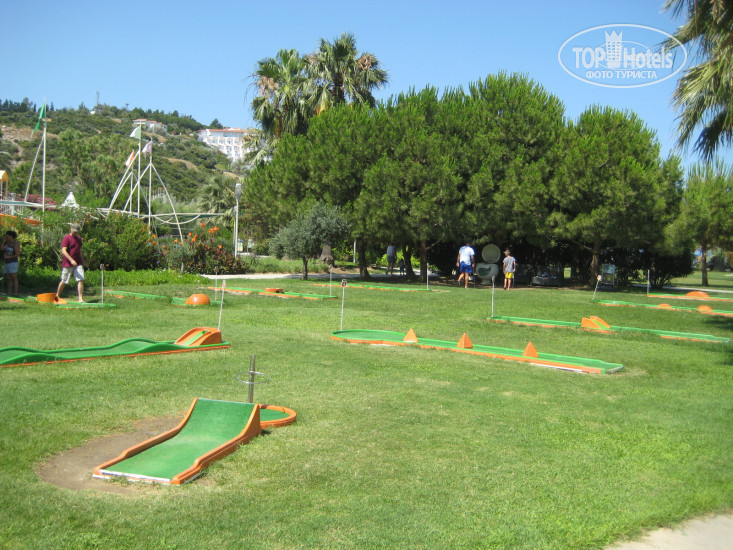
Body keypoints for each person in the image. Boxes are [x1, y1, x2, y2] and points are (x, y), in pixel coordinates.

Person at [55, 223, 86, 303]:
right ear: (70, 229)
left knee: (81, 279)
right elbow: (64, 251)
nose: (75, 233)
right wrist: (71, 260)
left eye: (77, 231)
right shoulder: (67, 238)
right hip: (68, 263)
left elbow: (79, 250)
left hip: (78, 263)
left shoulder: (78, 239)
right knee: (64, 280)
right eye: (74, 231)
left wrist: (83, 261)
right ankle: (57, 296)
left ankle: (80, 299)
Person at [2, 230, 20, 295]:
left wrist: (8, 257)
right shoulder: (8, 244)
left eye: (7, 236)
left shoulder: (16, 244)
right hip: (7, 262)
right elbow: (1, 248)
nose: (6, 237)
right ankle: (9, 292)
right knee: (8, 277)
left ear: (11, 236)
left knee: (14, 277)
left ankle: (15, 293)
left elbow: (17, 254)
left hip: (13, 262)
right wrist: (3, 241)